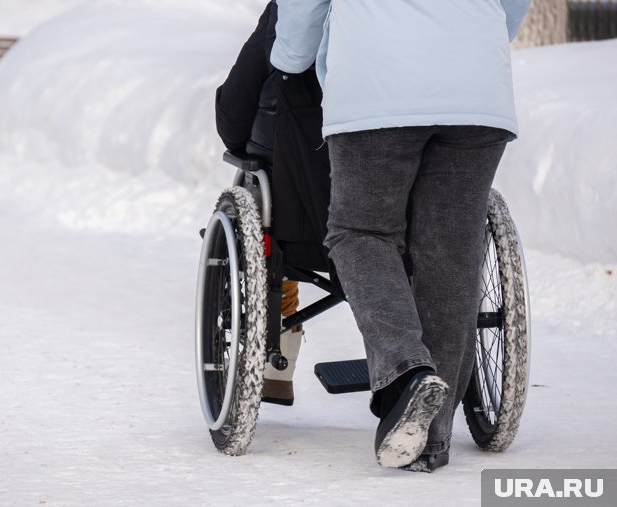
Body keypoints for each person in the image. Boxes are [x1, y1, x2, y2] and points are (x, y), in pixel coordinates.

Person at [270, 0, 531, 471]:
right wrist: (473, 36)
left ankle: (407, 369)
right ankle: (430, 442)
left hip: (378, 88)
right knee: (450, 252)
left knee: (360, 231)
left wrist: (290, 61)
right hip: (476, 88)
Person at [215, 1, 335, 406]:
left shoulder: (291, 14)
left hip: (301, 215)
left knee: (273, 197)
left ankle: (275, 359)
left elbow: (235, 105)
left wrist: (241, 145)